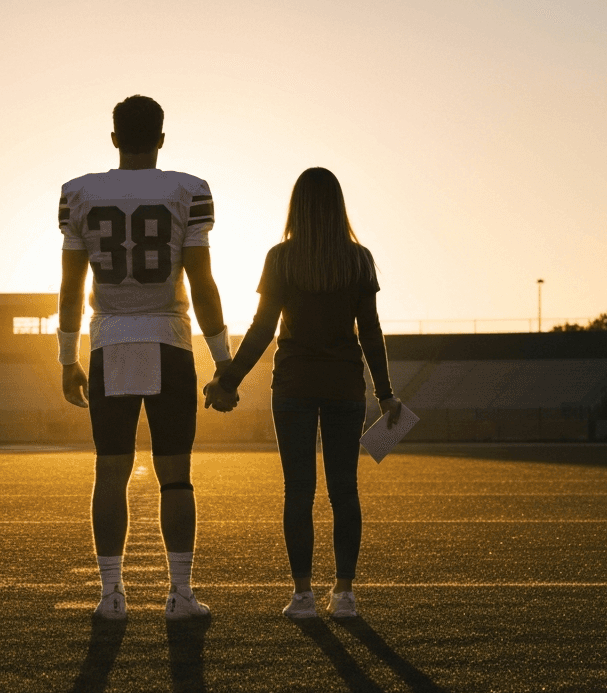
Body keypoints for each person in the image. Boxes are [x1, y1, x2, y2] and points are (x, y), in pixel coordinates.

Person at [57, 95, 235, 622]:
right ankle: (179, 594)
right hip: (169, 340)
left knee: (109, 473)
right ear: (161, 138)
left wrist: (67, 358)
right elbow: (201, 280)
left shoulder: (79, 193)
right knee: (175, 475)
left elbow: (71, 285)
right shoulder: (189, 190)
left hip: (110, 340)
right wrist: (223, 357)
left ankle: (111, 596)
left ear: (114, 138)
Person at [204, 167, 402, 620]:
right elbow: (370, 331)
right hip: (344, 386)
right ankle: (346, 593)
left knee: (299, 490)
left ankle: (302, 596)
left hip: (293, 384)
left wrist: (227, 380)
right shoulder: (358, 259)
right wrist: (386, 393)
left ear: (296, 205)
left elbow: (261, 330)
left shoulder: (281, 258)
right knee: (343, 490)